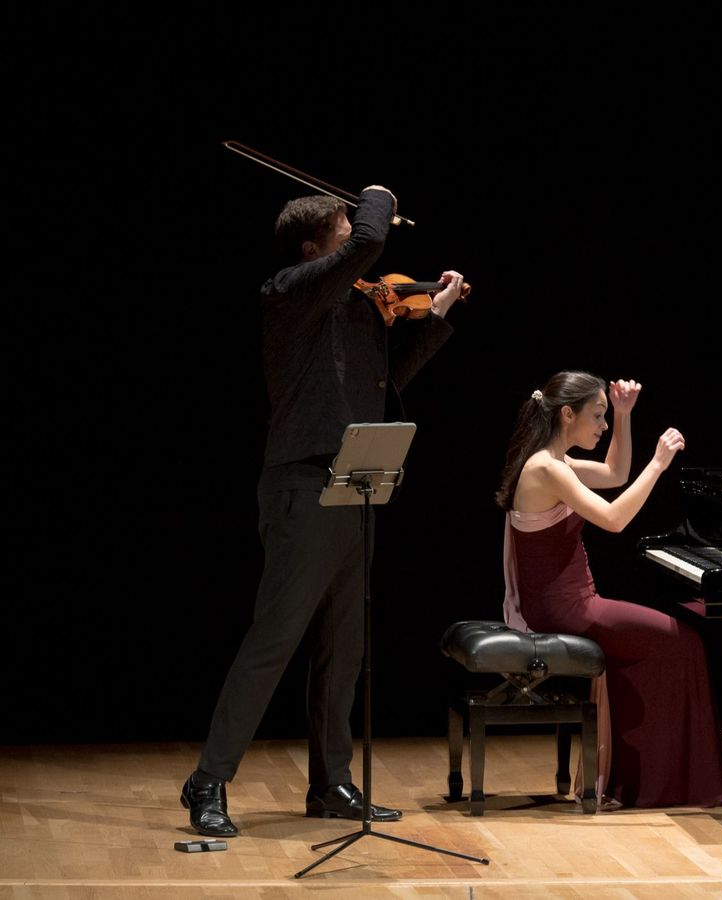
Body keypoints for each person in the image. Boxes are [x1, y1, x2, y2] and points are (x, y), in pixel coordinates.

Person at [181, 186, 465, 837]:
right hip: (300, 486)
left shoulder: (364, 311)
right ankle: (208, 779)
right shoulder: (286, 294)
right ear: (315, 251)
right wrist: (374, 198)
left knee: (344, 648)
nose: (361, 245)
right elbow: (369, 239)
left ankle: (331, 781)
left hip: (355, 480)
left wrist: (438, 313)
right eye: (344, 232)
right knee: (273, 642)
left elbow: (388, 387)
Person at [495, 371, 722, 808]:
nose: (601, 427)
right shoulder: (546, 467)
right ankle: (659, 779)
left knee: (675, 641)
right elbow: (615, 519)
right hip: (566, 608)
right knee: (685, 643)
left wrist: (623, 416)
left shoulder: (554, 461)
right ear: (567, 414)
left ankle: (650, 774)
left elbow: (616, 473)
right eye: (596, 416)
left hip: (569, 603)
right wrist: (658, 464)